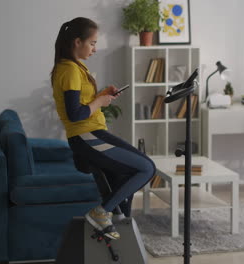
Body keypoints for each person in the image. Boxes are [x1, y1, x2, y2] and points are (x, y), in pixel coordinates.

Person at [50, 17, 155, 240]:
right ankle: (100, 213)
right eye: (93, 43)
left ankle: (121, 234)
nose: (95, 49)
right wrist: (99, 102)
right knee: (146, 168)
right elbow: (75, 114)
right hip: (86, 135)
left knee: (126, 178)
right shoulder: (69, 70)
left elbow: (81, 105)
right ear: (77, 42)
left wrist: (102, 96)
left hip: (91, 133)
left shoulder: (76, 67)